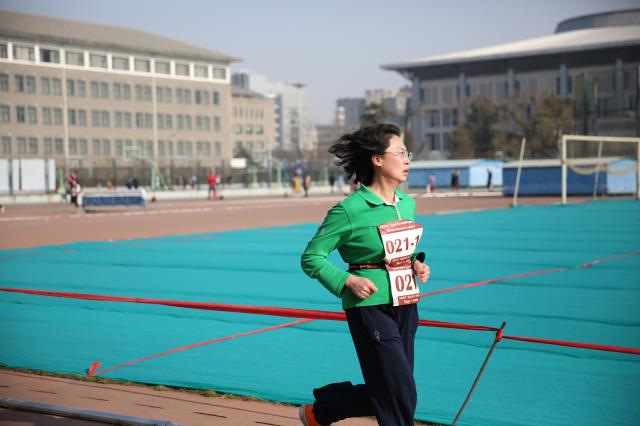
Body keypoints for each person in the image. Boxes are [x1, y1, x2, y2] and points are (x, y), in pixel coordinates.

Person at [299, 123, 431, 426]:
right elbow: (312, 257)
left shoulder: (407, 203)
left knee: (395, 389)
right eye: (400, 153)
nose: (407, 159)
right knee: (399, 390)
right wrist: (347, 280)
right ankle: (324, 410)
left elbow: (399, 250)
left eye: (407, 153)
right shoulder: (350, 209)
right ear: (377, 159)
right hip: (370, 307)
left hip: (407, 304)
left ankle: (323, 411)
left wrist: (416, 264)